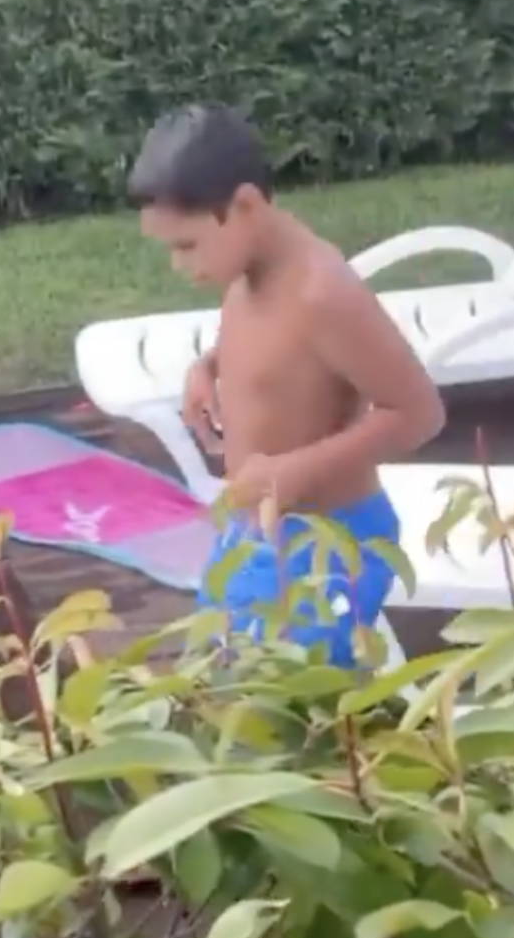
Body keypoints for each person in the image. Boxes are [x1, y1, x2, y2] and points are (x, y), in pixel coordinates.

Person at [128, 104, 446, 665]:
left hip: (327, 546)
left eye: (186, 245)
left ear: (246, 206)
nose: (178, 265)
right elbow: (279, 346)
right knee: (222, 675)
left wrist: (293, 471)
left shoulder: (321, 291)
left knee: (291, 703)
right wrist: (209, 366)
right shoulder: (249, 267)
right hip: (258, 529)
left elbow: (419, 413)